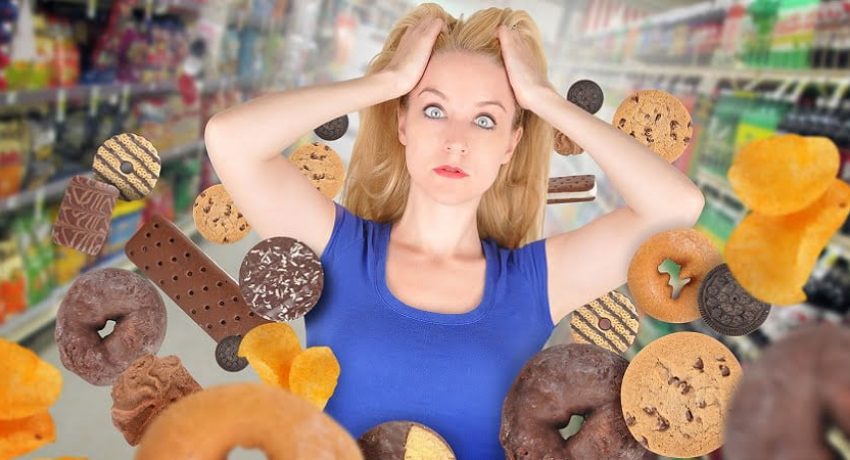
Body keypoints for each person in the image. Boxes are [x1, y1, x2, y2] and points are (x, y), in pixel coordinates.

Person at [204, 3, 704, 457]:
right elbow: (230, 140)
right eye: (434, 110)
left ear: (511, 144)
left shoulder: (534, 282)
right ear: (402, 123)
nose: (456, 141)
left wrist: (543, 100)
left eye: (485, 121)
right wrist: (386, 81)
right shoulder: (338, 250)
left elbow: (676, 208)